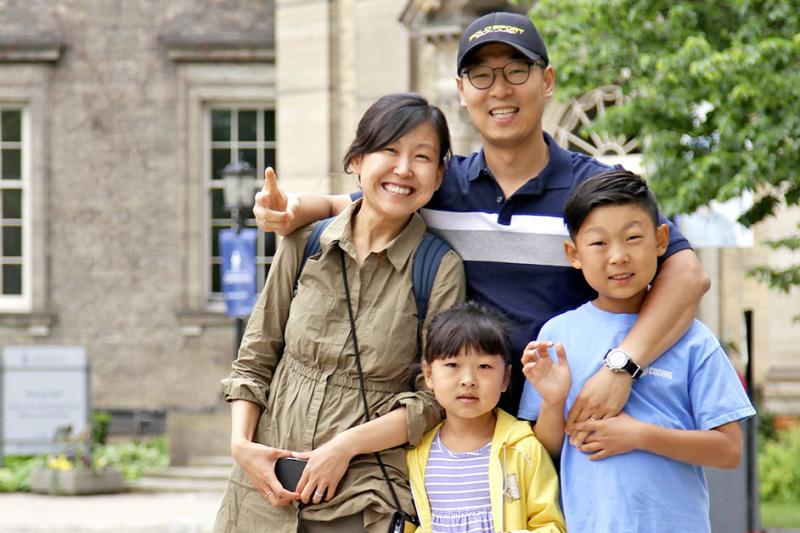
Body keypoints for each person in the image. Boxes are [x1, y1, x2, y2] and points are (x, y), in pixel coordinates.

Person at [251, 11, 709, 433]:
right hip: (464, 435)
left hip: (571, 424)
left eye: (516, 71)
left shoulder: (594, 189)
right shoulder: (441, 186)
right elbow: (360, 201)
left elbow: (687, 275)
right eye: (481, 75)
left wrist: (622, 367)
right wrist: (295, 208)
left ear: (546, 81)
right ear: (461, 89)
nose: (500, 90)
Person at [214, 93, 466, 533]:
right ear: (357, 160)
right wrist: (241, 446)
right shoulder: (304, 242)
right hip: (261, 491)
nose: (404, 169)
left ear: (439, 175)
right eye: (389, 150)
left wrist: (344, 448)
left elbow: (431, 399)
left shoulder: (438, 268)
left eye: (421, 157)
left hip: (361, 500)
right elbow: (255, 358)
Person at [518, 169, 755, 533]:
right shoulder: (557, 336)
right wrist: (552, 402)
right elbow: (546, 450)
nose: (618, 256)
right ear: (573, 253)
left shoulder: (692, 338)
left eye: (632, 238)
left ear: (661, 241)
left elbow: (729, 450)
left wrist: (638, 435)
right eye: (598, 243)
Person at [407, 302, 565, 533]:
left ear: (505, 378)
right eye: (453, 365)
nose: (469, 380)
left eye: (484, 366)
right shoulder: (418, 454)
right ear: (429, 374)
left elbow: (550, 524)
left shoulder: (523, 448)